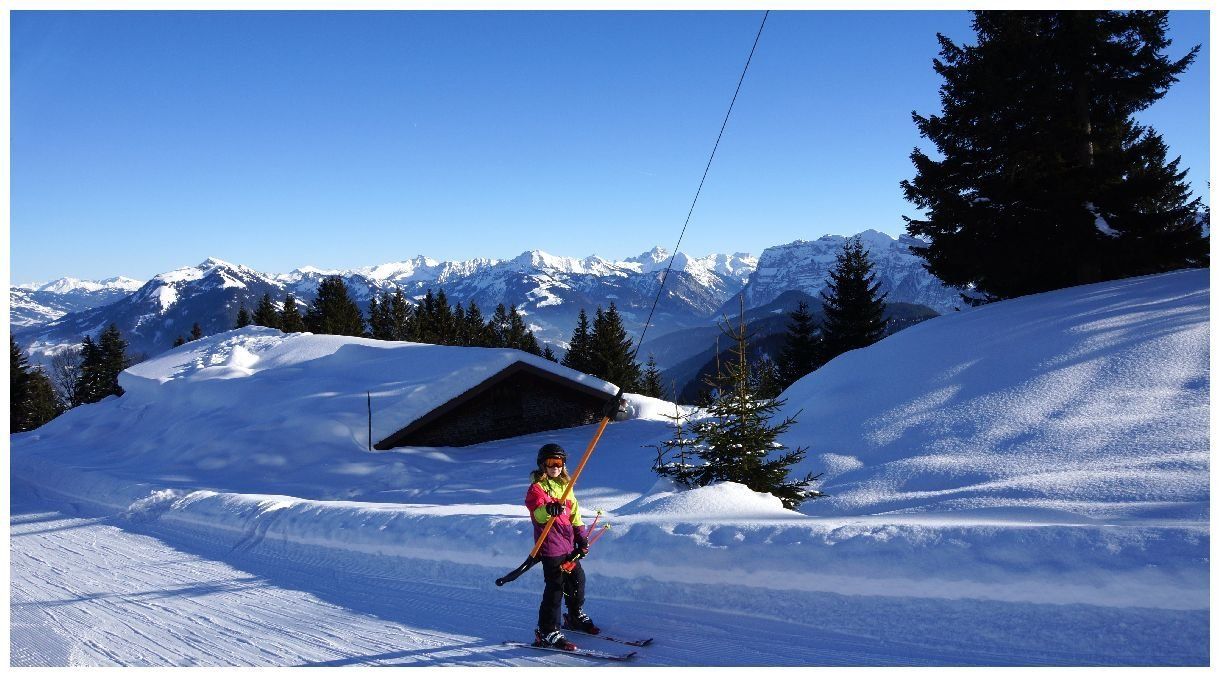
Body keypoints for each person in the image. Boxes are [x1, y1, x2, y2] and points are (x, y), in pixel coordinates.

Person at [526, 442, 600, 650]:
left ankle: (574, 616)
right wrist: (548, 509)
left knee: (577, 581)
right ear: (542, 464)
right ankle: (547, 630)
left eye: (558, 462)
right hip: (550, 547)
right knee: (555, 588)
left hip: (568, 545)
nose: (555, 467)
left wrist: (581, 538)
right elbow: (537, 513)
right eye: (550, 462)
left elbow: (575, 514)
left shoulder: (566, 486)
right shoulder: (537, 488)